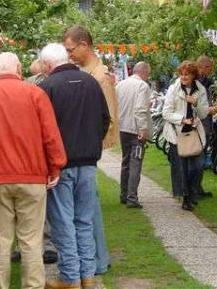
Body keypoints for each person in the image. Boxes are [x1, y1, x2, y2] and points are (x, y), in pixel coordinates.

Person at [0, 52, 67, 289]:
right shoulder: (35, 94)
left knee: (1, 241)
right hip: (32, 177)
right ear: (19, 68)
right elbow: (50, 136)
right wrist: (55, 167)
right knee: (31, 241)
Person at [39, 43, 110, 289]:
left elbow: (43, 130)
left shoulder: (47, 87)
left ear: (48, 65)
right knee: (84, 220)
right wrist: (92, 144)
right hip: (88, 162)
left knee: (63, 222)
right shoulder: (90, 83)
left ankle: (69, 277)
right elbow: (105, 119)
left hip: (61, 165)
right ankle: (88, 275)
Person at [62, 25, 118, 275]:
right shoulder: (88, 73)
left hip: (87, 151)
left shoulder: (99, 76)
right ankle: (96, 258)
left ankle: (99, 259)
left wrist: (90, 144)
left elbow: (108, 117)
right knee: (87, 207)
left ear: (84, 45)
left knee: (89, 208)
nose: (69, 54)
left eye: (71, 49)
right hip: (84, 149)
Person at [162, 61, 209, 211]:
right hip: (177, 133)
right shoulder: (173, 89)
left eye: (187, 74)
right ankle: (186, 198)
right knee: (182, 170)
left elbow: (203, 113)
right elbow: (166, 113)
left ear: (193, 75)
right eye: (181, 74)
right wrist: (182, 119)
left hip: (194, 133)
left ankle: (193, 193)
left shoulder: (200, 90)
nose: (183, 77)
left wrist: (195, 103)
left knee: (198, 166)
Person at [116, 61, 152, 208]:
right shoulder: (142, 86)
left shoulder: (120, 85)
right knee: (135, 163)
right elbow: (140, 109)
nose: (148, 77)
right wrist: (143, 129)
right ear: (144, 72)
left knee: (125, 162)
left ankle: (124, 194)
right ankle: (132, 198)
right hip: (136, 130)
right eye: (148, 74)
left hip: (123, 128)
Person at [196, 55, 217, 198]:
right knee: (198, 156)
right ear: (203, 66)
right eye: (209, 67)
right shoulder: (198, 82)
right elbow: (199, 105)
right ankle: (195, 188)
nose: (211, 70)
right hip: (200, 123)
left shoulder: (207, 81)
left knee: (201, 155)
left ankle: (198, 187)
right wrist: (210, 109)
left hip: (205, 122)